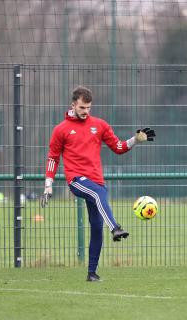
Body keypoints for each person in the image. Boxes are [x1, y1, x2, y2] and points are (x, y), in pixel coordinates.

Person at [40, 86, 155, 281]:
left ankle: (92, 273)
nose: (86, 112)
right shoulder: (61, 130)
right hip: (76, 180)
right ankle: (115, 228)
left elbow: (118, 147)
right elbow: (53, 158)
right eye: (82, 107)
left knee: (96, 225)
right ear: (73, 105)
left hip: (96, 180)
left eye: (89, 108)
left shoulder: (99, 125)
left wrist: (135, 139)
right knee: (98, 194)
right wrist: (48, 184)